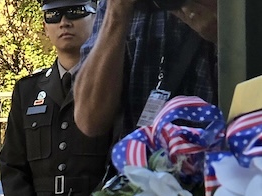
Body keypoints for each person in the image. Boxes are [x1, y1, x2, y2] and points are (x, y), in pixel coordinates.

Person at [0, 0, 111, 196]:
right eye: (53, 15)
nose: (64, 22)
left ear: (97, 19)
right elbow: (12, 165)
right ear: (45, 27)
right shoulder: (27, 91)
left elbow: (118, 162)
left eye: (75, 12)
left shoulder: (111, 85)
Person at [73, 0, 218, 141]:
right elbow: (90, 120)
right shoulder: (116, 6)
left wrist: (225, 33)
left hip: (219, 157)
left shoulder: (231, 7)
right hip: (140, 159)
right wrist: (116, 14)